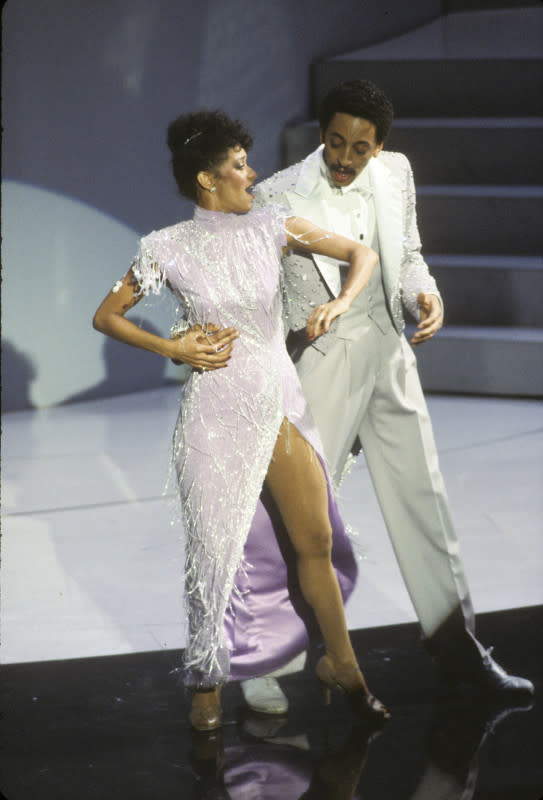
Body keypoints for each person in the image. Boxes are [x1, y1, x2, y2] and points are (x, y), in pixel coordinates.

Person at [239, 79, 534, 713]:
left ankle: (459, 650)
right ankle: (267, 661)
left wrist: (427, 296)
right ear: (322, 134)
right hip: (321, 366)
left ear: (381, 146)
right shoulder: (276, 194)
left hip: (391, 355)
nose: (346, 157)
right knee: (301, 519)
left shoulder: (396, 174)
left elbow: (412, 255)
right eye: (337, 142)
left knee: (424, 500)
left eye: (361, 147)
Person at [92, 110, 388, 732]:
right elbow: (108, 316)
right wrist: (173, 348)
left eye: (247, 162)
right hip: (213, 413)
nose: (251, 173)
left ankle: (343, 665)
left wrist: (339, 301)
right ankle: (207, 684)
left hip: (278, 402)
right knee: (214, 555)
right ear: (207, 177)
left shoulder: (271, 227)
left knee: (315, 543)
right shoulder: (163, 247)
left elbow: (359, 252)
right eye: (238, 164)